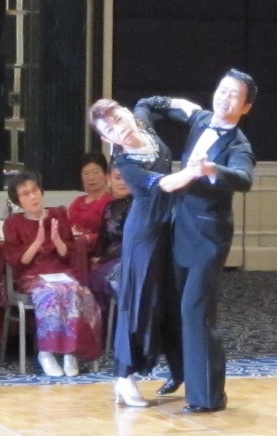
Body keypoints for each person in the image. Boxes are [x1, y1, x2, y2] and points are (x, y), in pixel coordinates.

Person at [137, 68, 258, 413]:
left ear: (245, 107)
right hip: (180, 227)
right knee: (174, 308)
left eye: (234, 95)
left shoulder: (238, 144)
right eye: (223, 90)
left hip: (208, 237)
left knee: (196, 312)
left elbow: (244, 179)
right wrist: (142, 119)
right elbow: (160, 104)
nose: (225, 98)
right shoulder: (201, 118)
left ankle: (207, 397)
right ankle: (180, 373)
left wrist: (211, 170)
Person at [88, 98, 201, 407]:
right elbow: (163, 183)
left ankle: (179, 369)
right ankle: (124, 378)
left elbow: (151, 103)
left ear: (126, 113)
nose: (119, 128)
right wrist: (193, 171)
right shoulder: (125, 163)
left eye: (118, 118)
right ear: (106, 138)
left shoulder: (142, 121)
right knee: (139, 303)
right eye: (110, 129)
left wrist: (193, 111)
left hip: (169, 228)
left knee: (171, 300)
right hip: (145, 235)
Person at [4, 170, 103, 377]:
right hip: (33, 275)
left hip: (62, 273)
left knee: (76, 291)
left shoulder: (58, 214)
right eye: (25, 194)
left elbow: (69, 253)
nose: (33, 196)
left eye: (35, 191)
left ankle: (70, 353)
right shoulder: (13, 223)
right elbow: (18, 261)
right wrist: (38, 242)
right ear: (18, 200)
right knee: (50, 293)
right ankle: (46, 353)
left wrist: (57, 241)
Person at [88, 164, 132, 342]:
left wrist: (103, 258)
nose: (122, 182)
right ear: (109, 179)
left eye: (126, 177)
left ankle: (124, 337)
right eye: (117, 178)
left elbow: (132, 240)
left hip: (129, 256)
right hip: (110, 257)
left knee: (119, 276)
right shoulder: (109, 207)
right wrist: (96, 257)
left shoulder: (139, 205)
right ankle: (101, 336)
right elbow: (103, 237)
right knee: (90, 275)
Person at [68, 151, 113, 251]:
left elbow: (110, 235)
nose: (91, 178)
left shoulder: (111, 202)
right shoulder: (78, 202)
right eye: (86, 173)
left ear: (106, 175)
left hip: (100, 252)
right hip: (74, 250)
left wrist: (87, 238)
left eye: (95, 172)